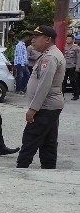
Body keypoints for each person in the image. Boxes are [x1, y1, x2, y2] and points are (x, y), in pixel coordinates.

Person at [17, 25, 66, 169]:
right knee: (48, 140)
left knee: (31, 137)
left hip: (46, 105)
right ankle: (49, 168)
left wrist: (33, 108)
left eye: (36, 37)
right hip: (50, 105)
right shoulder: (48, 54)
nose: (33, 41)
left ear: (47, 39)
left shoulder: (50, 57)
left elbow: (44, 85)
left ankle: (21, 169)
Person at [63, 34, 79, 100]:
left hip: (72, 67)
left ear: (73, 40)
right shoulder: (64, 47)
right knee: (63, 81)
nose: (67, 40)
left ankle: (76, 95)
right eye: (67, 39)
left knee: (73, 81)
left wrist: (78, 67)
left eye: (69, 39)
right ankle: (61, 96)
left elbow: (79, 58)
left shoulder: (76, 48)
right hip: (65, 66)